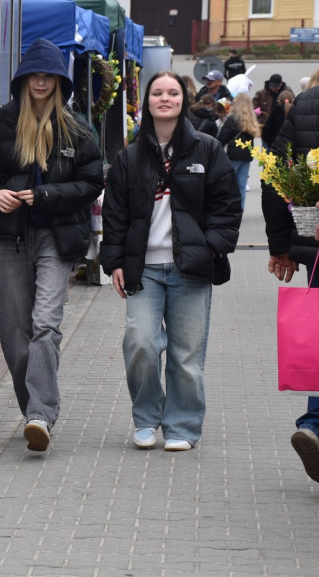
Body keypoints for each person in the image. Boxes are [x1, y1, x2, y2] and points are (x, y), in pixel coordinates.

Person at [0, 38, 104, 452]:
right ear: (24, 80)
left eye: (49, 75)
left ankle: (41, 414)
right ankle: (35, 408)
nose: (41, 81)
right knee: (14, 333)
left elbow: (93, 181)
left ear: (59, 81)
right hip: (12, 239)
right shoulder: (4, 122)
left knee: (46, 324)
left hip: (57, 239)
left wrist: (47, 196)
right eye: (35, 75)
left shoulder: (77, 127)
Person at [100, 71, 241, 452]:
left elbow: (227, 206)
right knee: (141, 343)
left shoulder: (207, 149)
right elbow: (114, 215)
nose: (165, 98)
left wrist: (210, 248)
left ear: (184, 99)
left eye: (173, 92)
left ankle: (181, 426)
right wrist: (113, 261)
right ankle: (146, 419)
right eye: (157, 92)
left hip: (190, 269)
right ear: (146, 101)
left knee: (187, 354)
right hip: (143, 269)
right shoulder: (128, 157)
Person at [261, 67, 319, 482]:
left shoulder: (306, 105)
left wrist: (284, 246)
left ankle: (315, 424)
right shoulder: (305, 105)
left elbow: (274, 180)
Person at [216, 93, 261, 209]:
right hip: (246, 156)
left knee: (229, 184)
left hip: (233, 155)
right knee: (241, 185)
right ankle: (239, 209)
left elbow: (222, 138)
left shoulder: (232, 118)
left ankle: (229, 208)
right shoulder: (251, 119)